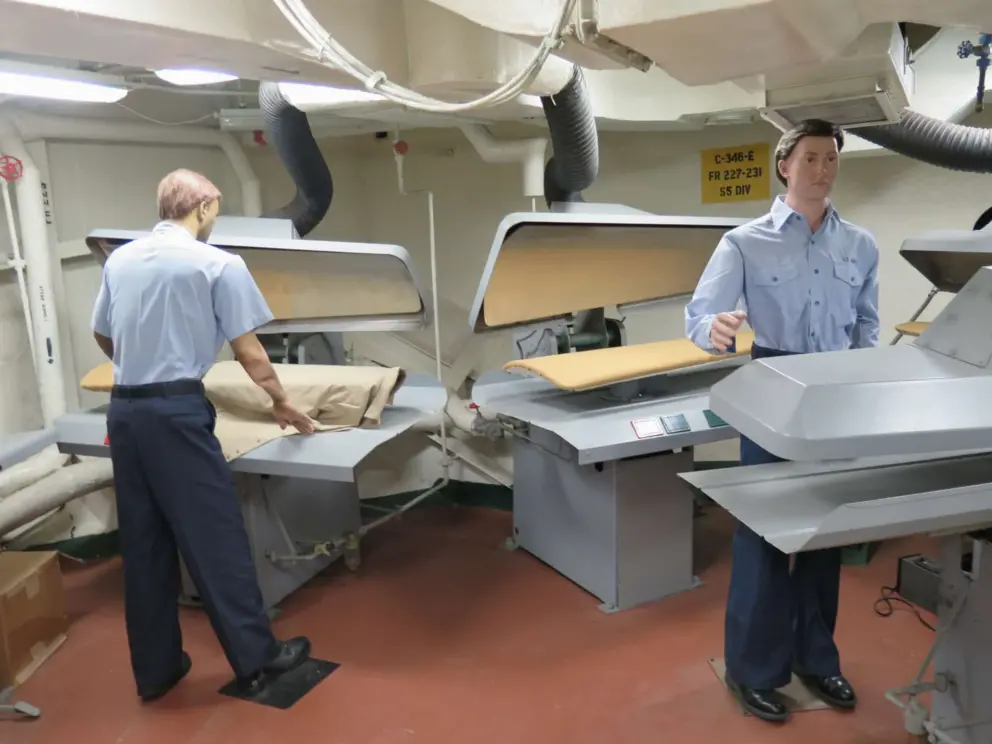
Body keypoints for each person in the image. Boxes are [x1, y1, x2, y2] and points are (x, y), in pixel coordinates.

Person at [91, 169, 318, 702]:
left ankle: (157, 670)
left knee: (144, 545)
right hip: (176, 414)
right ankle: (258, 661)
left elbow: (104, 333)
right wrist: (281, 402)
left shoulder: (120, 258)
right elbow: (250, 350)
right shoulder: (218, 263)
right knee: (215, 538)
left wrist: (140, 366)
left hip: (124, 413)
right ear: (206, 206)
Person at [685, 119, 880, 723]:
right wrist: (716, 333)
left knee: (826, 532)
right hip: (771, 382)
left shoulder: (861, 245)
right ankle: (755, 670)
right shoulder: (744, 242)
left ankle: (817, 660)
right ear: (784, 166)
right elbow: (700, 318)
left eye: (832, 159)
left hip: (835, 391)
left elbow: (867, 327)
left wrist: (864, 381)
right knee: (766, 534)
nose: (823, 169)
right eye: (811, 158)